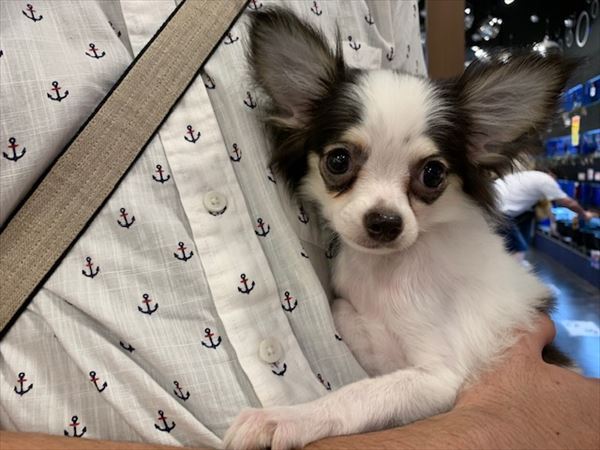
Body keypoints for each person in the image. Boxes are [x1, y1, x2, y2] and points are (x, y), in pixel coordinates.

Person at [0, 1, 598, 449]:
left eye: (429, 175)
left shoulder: (446, 260)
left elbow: (435, 380)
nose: (383, 209)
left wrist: (317, 417)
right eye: (342, 163)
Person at [495, 170, 596, 260]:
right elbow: (568, 203)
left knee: (511, 241)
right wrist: (584, 214)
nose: (556, 184)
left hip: (493, 204)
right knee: (519, 248)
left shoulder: (531, 176)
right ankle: (514, 271)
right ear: (553, 175)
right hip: (500, 211)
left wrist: (553, 223)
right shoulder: (546, 180)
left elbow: (546, 207)